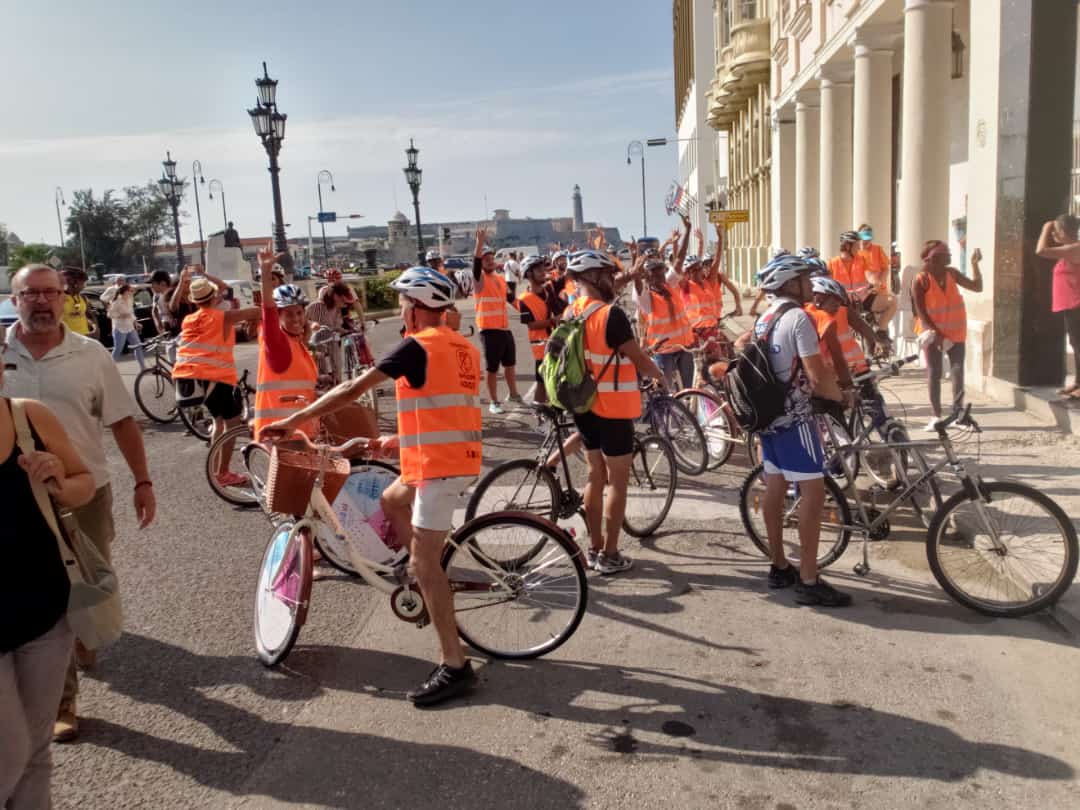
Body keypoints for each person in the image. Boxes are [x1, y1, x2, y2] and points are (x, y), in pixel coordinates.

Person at [263, 266, 482, 706]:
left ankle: (455, 663)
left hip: (439, 469)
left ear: (416, 308)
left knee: (425, 564)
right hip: (447, 457)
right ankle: (426, 574)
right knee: (389, 499)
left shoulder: (416, 346)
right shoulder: (461, 347)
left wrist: (291, 421)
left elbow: (350, 388)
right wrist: (390, 441)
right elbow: (445, 409)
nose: (402, 308)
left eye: (404, 302)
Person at [0, 264, 156, 742]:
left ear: (66, 296)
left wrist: (143, 482)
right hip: (17, 499)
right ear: (15, 298)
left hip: (85, 488)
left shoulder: (90, 355)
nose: (42, 301)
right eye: (32, 293)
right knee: (53, 592)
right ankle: (62, 700)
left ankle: (78, 637)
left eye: (51, 292)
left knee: (87, 579)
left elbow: (123, 422)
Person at [0, 377, 96, 809]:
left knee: (37, 750)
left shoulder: (29, 416)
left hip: (44, 613)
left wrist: (58, 478)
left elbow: (83, 483)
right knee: (9, 752)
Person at [752, 254, 851, 607]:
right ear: (791, 284)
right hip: (796, 420)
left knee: (774, 488)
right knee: (813, 494)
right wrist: (841, 397)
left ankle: (779, 566)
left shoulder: (763, 319)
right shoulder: (799, 318)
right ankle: (809, 579)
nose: (812, 285)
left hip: (767, 420)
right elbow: (816, 374)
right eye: (806, 279)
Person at [562, 251, 662, 574]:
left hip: (584, 404)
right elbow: (639, 359)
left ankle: (592, 549)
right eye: (605, 275)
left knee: (594, 474)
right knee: (617, 479)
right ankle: (610, 554)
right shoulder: (610, 315)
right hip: (614, 408)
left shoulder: (571, 312)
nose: (610, 279)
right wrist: (661, 378)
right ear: (592, 278)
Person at [171, 270, 260, 486]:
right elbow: (257, 310)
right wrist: (252, 324)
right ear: (214, 297)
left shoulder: (190, 319)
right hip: (216, 377)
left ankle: (216, 469)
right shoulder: (221, 317)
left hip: (191, 378)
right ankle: (223, 473)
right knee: (232, 424)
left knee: (218, 423)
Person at [912, 240, 983, 430]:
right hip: (933, 334)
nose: (950, 257)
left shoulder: (951, 273)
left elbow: (977, 287)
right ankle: (936, 416)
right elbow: (921, 312)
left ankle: (959, 413)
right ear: (934, 258)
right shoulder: (921, 280)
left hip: (956, 332)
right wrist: (938, 335)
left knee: (957, 370)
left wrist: (975, 265)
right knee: (934, 372)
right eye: (946, 255)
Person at [634, 215, 695, 390]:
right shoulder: (646, 297)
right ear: (648, 276)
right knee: (666, 394)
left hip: (685, 347)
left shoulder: (670, 285)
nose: (661, 274)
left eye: (661, 270)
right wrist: (636, 267)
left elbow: (679, 260)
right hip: (663, 353)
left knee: (688, 390)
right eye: (656, 272)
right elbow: (637, 287)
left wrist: (687, 231)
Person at [472, 227, 522, 413]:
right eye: (486, 259)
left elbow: (511, 299)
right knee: (492, 368)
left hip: (504, 329)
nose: (490, 261)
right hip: (488, 329)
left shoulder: (499, 279)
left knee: (510, 364)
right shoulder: (479, 280)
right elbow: (475, 264)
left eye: (492, 258)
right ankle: (494, 401)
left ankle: (514, 394)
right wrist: (479, 244)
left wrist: (527, 311)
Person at [1035, 215, 1080, 398]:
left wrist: (1046, 226)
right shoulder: (1067, 250)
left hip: (1077, 304)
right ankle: (1078, 382)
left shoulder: (1075, 248)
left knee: (1079, 344)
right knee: (1076, 343)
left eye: (1056, 230)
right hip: (1071, 305)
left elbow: (1041, 250)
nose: (1053, 234)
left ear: (1063, 231)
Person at [515, 255, 566, 404]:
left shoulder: (549, 288)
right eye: (538, 269)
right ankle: (541, 415)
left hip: (558, 341)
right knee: (543, 382)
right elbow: (530, 324)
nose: (543, 271)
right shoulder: (524, 299)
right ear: (529, 274)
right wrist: (552, 321)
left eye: (543, 268)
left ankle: (555, 410)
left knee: (558, 379)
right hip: (541, 346)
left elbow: (566, 277)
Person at [856, 224, 898, 336]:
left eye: (869, 240)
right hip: (864, 294)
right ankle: (878, 333)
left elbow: (885, 268)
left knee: (891, 304)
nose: (866, 243)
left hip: (879, 291)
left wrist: (880, 282)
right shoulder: (856, 253)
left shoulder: (877, 250)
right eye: (864, 240)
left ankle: (881, 331)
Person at [101, 278, 146, 370]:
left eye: (132, 291)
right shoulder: (116, 301)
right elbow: (109, 314)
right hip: (119, 328)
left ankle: (143, 367)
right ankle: (109, 368)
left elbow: (131, 313)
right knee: (118, 349)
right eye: (130, 291)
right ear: (124, 292)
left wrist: (136, 322)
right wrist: (120, 315)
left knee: (138, 346)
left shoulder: (130, 300)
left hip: (130, 327)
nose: (131, 293)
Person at [60, 268, 97, 339]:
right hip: (67, 340)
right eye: (82, 283)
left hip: (85, 338)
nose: (84, 286)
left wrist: (95, 327)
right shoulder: (58, 298)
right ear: (73, 283)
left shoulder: (83, 298)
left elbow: (89, 315)